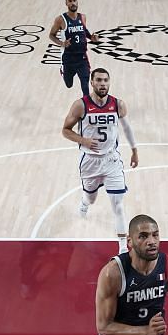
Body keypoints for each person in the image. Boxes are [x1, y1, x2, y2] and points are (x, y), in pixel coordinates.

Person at [62, 68, 139, 254]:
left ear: (109, 82)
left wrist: (134, 150)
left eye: (106, 80)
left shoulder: (118, 104)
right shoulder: (81, 105)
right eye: (99, 80)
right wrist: (83, 140)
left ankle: (122, 248)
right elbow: (65, 130)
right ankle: (84, 202)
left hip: (112, 160)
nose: (103, 83)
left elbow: (127, 128)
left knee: (118, 204)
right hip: (90, 161)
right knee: (92, 198)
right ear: (92, 82)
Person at [49, 0, 99, 97]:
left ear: (77, 1)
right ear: (66, 3)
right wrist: (62, 43)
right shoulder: (60, 19)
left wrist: (92, 38)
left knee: (85, 87)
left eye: (74, 0)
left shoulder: (83, 17)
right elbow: (51, 35)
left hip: (82, 57)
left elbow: (84, 31)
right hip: (68, 57)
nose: (73, 3)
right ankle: (64, 72)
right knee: (69, 84)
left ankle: (86, 109)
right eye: (70, 1)